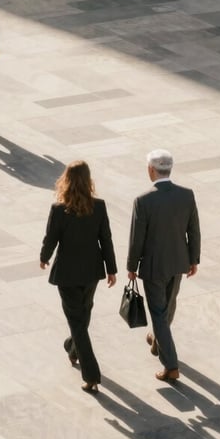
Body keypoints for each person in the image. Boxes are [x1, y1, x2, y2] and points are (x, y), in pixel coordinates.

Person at [39, 160, 118, 393]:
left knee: (78, 321)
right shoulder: (99, 206)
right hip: (91, 271)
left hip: (67, 273)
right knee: (82, 315)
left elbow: (50, 238)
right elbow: (106, 239)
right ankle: (73, 347)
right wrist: (111, 268)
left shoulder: (59, 209)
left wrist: (44, 257)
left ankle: (91, 374)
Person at [127, 149, 200, 382]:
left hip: (153, 266)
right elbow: (194, 230)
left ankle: (171, 365)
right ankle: (158, 340)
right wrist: (193, 259)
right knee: (168, 307)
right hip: (179, 261)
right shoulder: (187, 195)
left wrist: (131, 265)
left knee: (159, 313)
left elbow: (137, 237)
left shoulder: (143, 201)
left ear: (151, 170)